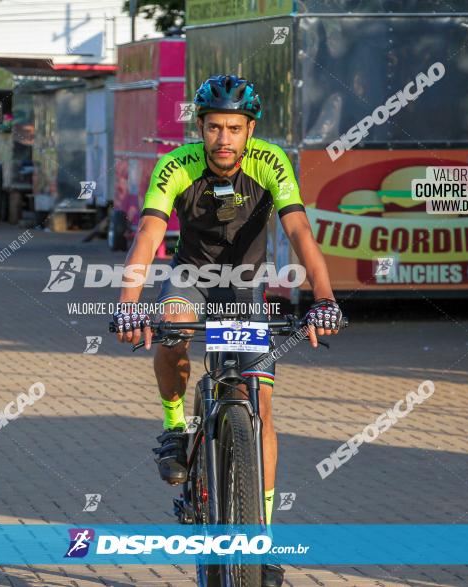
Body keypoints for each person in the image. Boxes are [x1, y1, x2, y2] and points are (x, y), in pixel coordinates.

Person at [112, 75, 343, 587]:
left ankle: (258, 537)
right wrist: (128, 304)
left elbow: (299, 230)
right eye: (214, 127)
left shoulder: (271, 162)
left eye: (234, 128)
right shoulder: (176, 165)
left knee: (258, 404)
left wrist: (325, 300)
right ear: (200, 126)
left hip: (244, 288)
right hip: (191, 277)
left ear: (250, 129)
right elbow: (149, 232)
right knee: (171, 326)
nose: (223, 139)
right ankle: (175, 426)